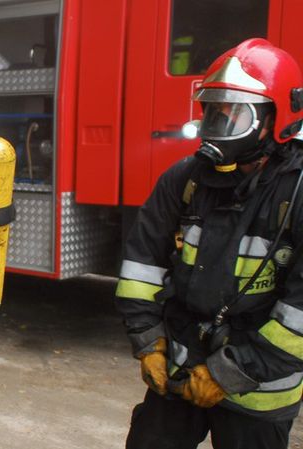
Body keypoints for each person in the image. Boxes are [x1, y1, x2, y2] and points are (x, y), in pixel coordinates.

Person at [117, 38, 303, 449]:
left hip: (258, 392)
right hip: (180, 370)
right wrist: (147, 340)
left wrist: (231, 372)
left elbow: (300, 315)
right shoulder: (186, 178)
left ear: (278, 118)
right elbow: (140, 265)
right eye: (213, 114)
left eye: (234, 115)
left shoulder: (298, 191)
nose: (217, 128)